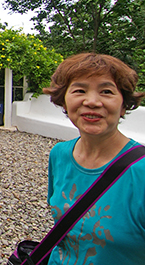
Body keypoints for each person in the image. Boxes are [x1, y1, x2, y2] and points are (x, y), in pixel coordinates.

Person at [43, 53, 145, 264]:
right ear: (64, 100)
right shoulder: (59, 154)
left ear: (124, 104)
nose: (91, 102)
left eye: (106, 91)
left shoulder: (141, 172)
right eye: (79, 90)